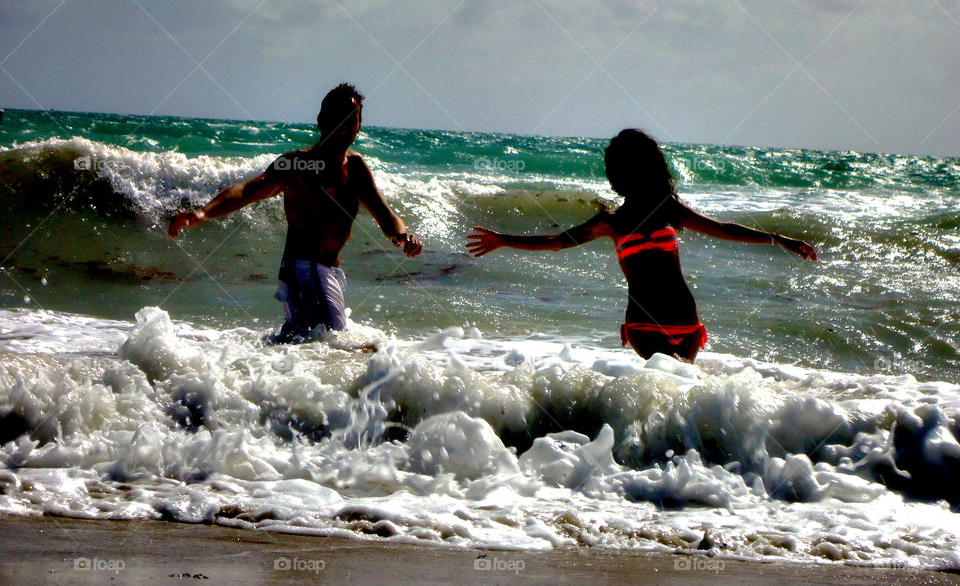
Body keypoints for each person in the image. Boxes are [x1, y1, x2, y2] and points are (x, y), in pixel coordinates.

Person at [466, 129, 816, 362]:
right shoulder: (610, 221)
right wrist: (502, 240)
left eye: (613, 166)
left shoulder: (669, 209)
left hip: (686, 324)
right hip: (644, 326)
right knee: (666, 393)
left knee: (679, 395)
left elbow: (722, 228)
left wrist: (778, 238)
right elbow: (557, 242)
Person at [169, 83, 422, 342]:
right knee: (334, 345)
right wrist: (203, 213)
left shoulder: (356, 167)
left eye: (352, 118)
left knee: (301, 347)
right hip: (304, 270)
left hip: (328, 272)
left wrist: (401, 236)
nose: (346, 124)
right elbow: (247, 190)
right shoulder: (298, 163)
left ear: (359, 124)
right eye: (339, 116)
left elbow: (386, 215)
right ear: (322, 120)